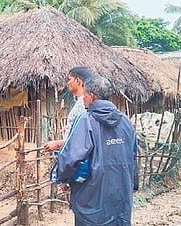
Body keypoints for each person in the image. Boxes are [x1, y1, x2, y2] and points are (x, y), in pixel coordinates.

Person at [53, 76, 139, 226]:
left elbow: (71, 158)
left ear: (91, 96)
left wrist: (64, 179)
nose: (83, 99)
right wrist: (133, 183)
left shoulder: (86, 121)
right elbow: (133, 157)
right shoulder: (125, 121)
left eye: (84, 95)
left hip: (91, 197)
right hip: (121, 195)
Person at [43, 65, 94, 152]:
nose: (68, 83)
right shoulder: (81, 102)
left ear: (78, 81)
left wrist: (59, 144)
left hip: (78, 155)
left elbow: (83, 138)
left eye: (69, 79)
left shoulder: (84, 104)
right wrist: (70, 127)